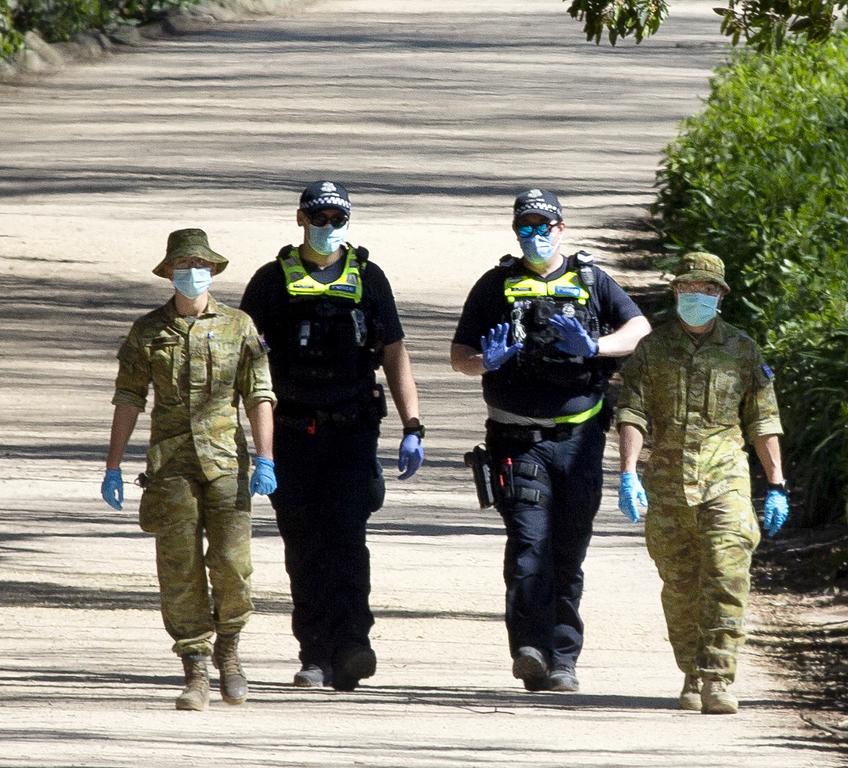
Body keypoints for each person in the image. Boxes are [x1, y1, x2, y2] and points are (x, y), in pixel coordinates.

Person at [451, 188, 651, 693]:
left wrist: (597, 347)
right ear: (515, 232)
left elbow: (640, 328)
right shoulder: (496, 284)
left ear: (562, 228)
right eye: (526, 227)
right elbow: (459, 355)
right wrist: (486, 362)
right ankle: (531, 649)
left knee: (568, 551)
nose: (535, 235)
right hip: (517, 442)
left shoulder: (590, 279)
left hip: (580, 440)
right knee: (528, 547)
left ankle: (564, 659)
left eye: (544, 226)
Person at [239, 180, 425, 692]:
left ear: (348, 221)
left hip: (351, 434)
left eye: (336, 219)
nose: (327, 227)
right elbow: (245, 363)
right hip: (293, 432)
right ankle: (315, 653)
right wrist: (261, 451)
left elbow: (394, 355)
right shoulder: (271, 281)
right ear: (300, 218)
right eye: (317, 217)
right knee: (304, 545)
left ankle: (353, 645)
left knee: (348, 540)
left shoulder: (369, 278)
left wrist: (413, 425)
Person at [99, 228, 277, 712]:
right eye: (182, 267)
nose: (191, 274)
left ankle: (231, 651)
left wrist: (266, 457)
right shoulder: (148, 332)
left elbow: (259, 394)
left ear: (213, 271)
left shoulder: (239, 326)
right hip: (171, 468)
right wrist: (113, 465)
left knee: (233, 565)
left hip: (225, 464)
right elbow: (128, 398)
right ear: (169, 273)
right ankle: (195, 664)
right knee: (178, 568)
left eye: (199, 266)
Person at [615, 251, 789, 715]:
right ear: (676, 293)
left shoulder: (742, 350)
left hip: (725, 478)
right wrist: (629, 471)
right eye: (689, 289)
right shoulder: (652, 350)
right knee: (680, 583)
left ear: (720, 296)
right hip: (668, 483)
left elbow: (763, 420)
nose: (698, 296)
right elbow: (631, 411)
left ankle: (717, 677)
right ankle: (691, 672)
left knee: (727, 573)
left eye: (707, 290)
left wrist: (776, 483)